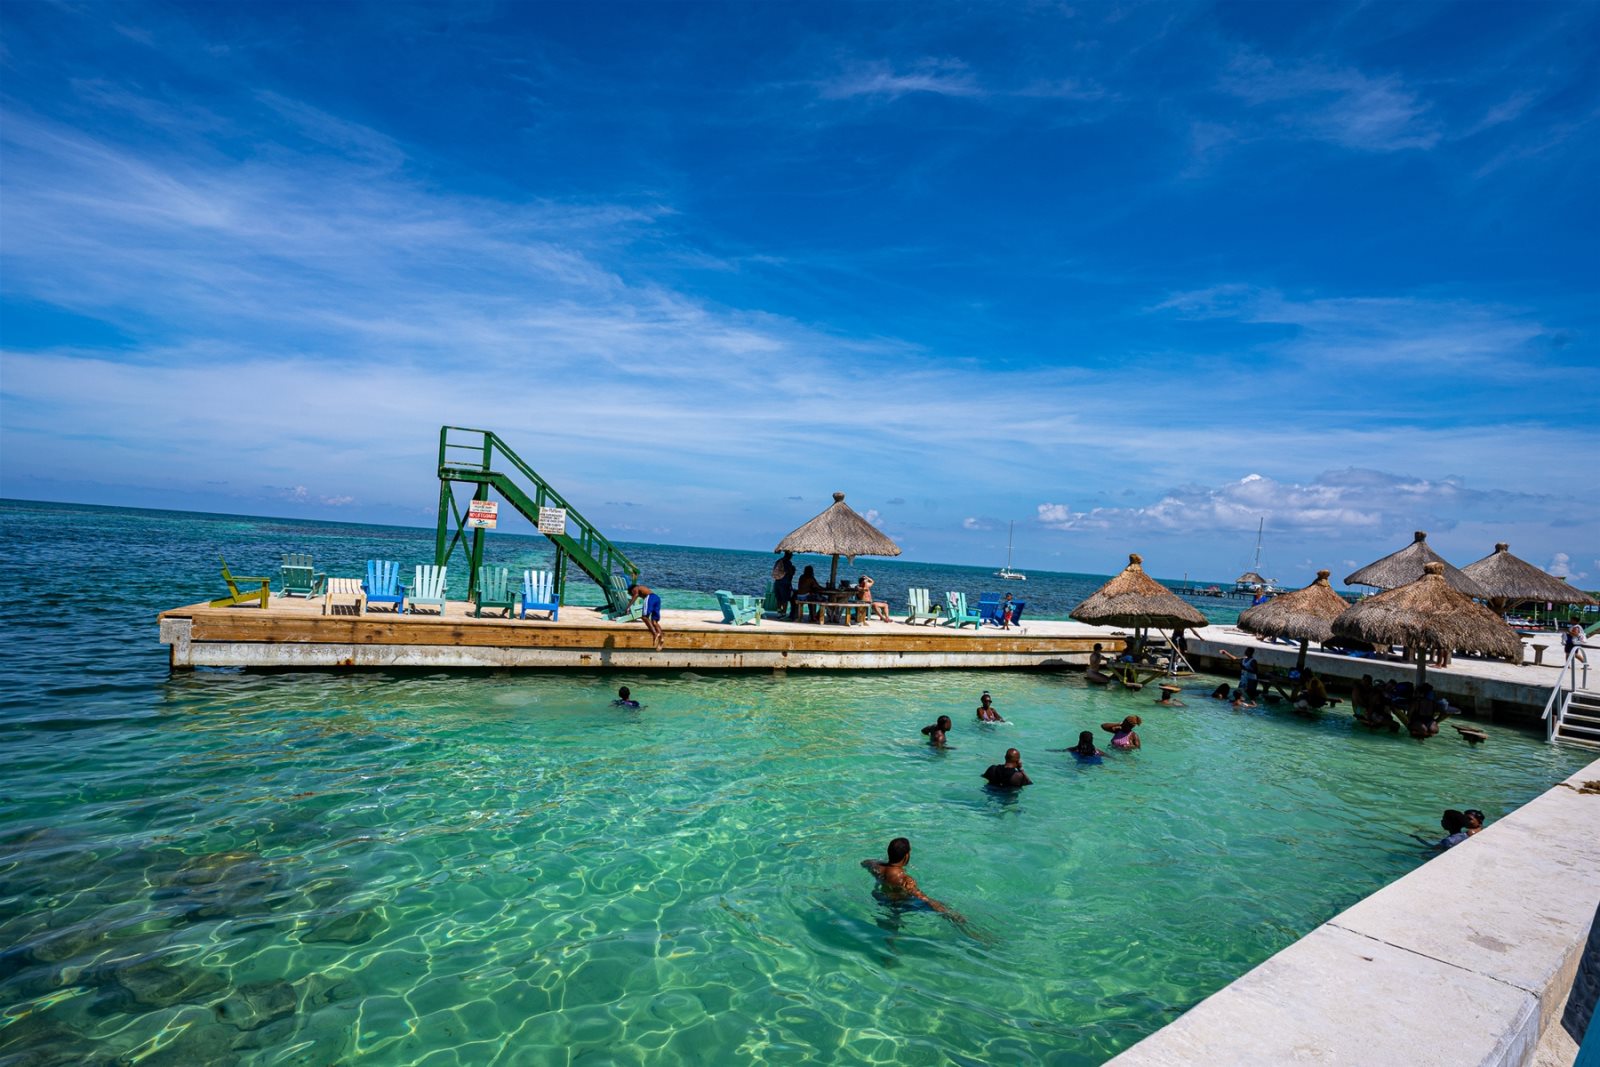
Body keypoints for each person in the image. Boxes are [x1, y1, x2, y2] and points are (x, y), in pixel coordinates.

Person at [861, 837, 963, 921]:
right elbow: (924, 898)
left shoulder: (875, 865)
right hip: (901, 905)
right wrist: (950, 913)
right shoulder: (906, 880)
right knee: (943, 906)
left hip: (881, 898)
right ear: (906, 856)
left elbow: (864, 862)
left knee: (891, 926)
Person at [628, 584, 664, 652]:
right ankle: (661, 639)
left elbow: (635, 596)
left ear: (632, 590)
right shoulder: (642, 588)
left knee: (644, 616)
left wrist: (628, 607)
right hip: (657, 598)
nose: (632, 595)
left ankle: (654, 633)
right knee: (654, 622)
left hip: (650, 597)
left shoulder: (636, 588)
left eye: (631, 594)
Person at [772, 552, 796, 616]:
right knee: (785, 599)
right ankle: (784, 613)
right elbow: (790, 573)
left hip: (777, 582)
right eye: (791, 556)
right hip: (785, 583)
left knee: (778, 599)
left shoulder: (778, 561)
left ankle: (779, 613)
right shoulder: (788, 563)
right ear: (789, 556)